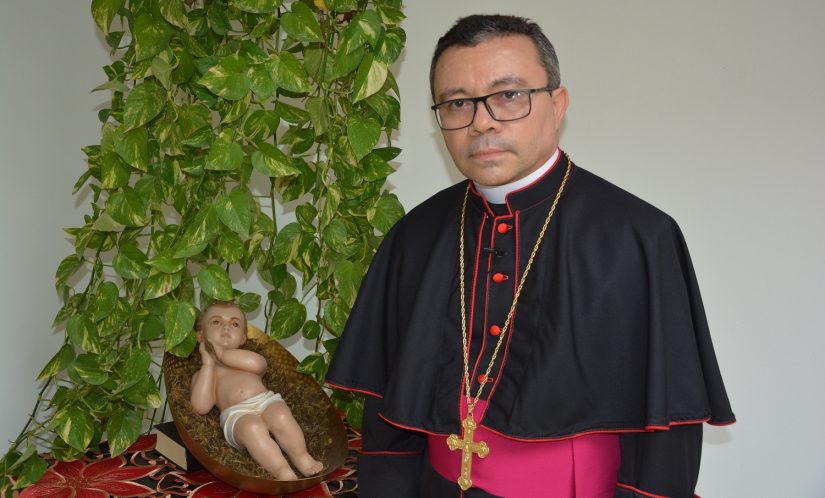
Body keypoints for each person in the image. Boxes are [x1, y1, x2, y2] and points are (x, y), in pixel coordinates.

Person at [326, 14, 735, 498]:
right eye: (457, 103)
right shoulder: (415, 235)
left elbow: (666, 433)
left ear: (557, 105)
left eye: (508, 95)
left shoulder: (638, 237)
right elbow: (389, 421)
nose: (481, 121)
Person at [190, 301, 324, 481]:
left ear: (243, 338)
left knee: (281, 415)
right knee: (252, 428)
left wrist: (222, 354)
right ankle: (281, 470)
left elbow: (259, 364)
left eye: (235, 324)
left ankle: (301, 456)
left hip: (266, 401)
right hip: (236, 414)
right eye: (216, 322)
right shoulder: (205, 374)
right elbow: (201, 406)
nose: (226, 327)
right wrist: (208, 364)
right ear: (200, 336)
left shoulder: (246, 359)